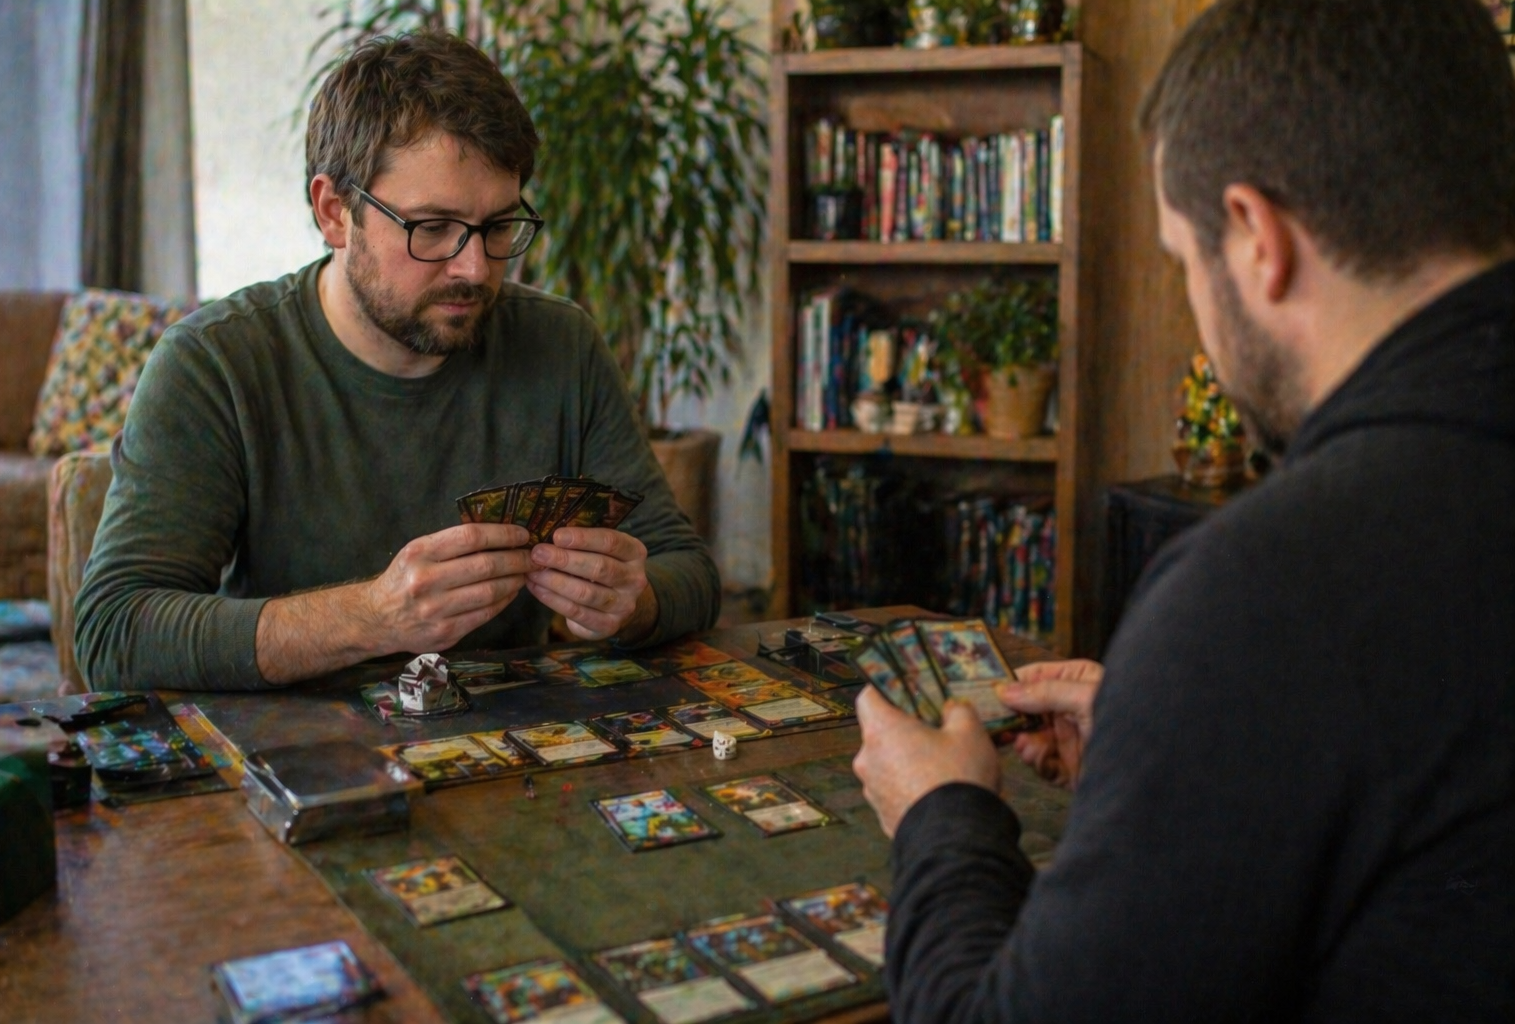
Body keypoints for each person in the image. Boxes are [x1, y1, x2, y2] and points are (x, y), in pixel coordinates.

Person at [852, 0, 1514, 1018]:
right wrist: (1166, 729)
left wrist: (940, 814)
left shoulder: (1268, 585)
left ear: (1255, 237)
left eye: (1181, 257)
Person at [75, 32, 719, 691]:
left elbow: (688, 571)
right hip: (296, 742)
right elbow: (114, 631)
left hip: (507, 739)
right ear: (334, 212)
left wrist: (632, 601)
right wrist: (373, 617)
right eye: (432, 228)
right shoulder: (214, 364)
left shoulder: (562, 345)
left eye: (499, 227)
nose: (475, 269)